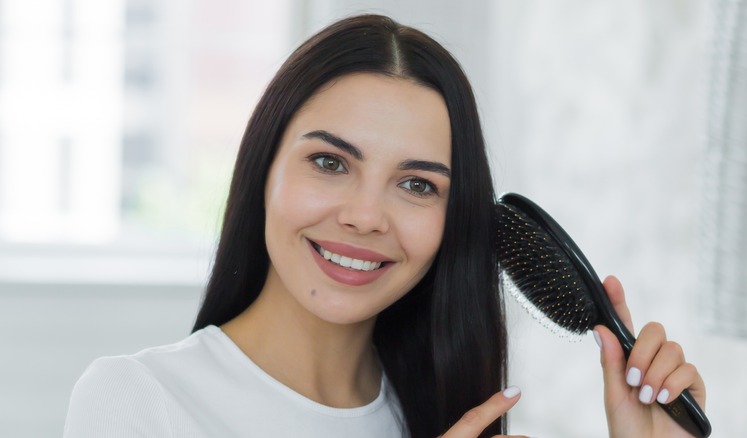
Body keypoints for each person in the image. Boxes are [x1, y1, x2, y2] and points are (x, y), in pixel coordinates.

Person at [64, 14, 706, 438]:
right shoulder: (137, 403)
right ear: (263, 170)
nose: (366, 217)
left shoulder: (450, 415)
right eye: (329, 162)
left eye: (417, 184)